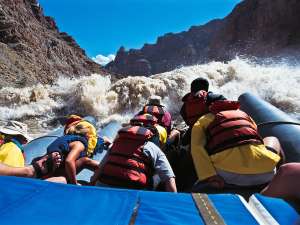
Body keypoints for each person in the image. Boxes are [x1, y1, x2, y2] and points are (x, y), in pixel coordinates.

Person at [190, 98, 282, 190]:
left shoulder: (203, 120)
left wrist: (209, 175)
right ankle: (279, 175)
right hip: (266, 173)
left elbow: (197, 148)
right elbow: (256, 139)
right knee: (272, 139)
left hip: (228, 176)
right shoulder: (244, 115)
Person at [90, 117, 177, 192]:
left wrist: (91, 184)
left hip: (103, 189)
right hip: (133, 194)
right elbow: (169, 179)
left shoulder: (116, 144)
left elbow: (98, 171)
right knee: (157, 176)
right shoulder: (153, 148)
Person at [46, 117, 110, 185]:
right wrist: (74, 183)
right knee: (84, 160)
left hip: (49, 169)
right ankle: (108, 172)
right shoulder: (79, 144)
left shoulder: (65, 138)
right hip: (56, 173)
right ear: (88, 135)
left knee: (83, 160)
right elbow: (69, 161)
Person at [0, 120, 64, 182]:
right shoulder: (12, 149)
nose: (26, 141)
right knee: (62, 180)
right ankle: (32, 171)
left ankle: (32, 170)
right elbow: (10, 178)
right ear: (22, 138)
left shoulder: (8, 147)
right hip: (10, 184)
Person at [180, 77, 226, 145]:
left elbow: (185, 117)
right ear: (206, 88)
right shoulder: (210, 97)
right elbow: (226, 103)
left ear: (191, 89)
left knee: (183, 143)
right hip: (212, 130)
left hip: (196, 132)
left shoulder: (186, 104)